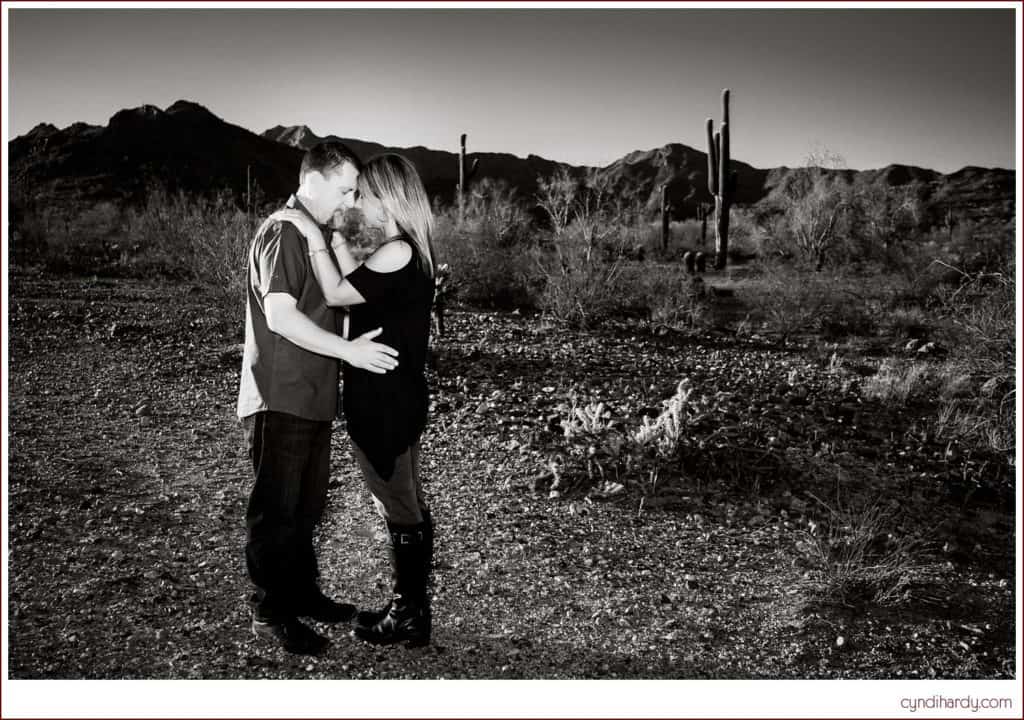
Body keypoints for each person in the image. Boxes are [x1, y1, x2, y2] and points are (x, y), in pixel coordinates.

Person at [237, 142, 400, 656]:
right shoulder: (283, 230)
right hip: (279, 391)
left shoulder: (316, 232)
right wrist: (348, 352)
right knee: (276, 509)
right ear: (315, 178)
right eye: (346, 187)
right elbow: (281, 315)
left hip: (313, 393)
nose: (352, 198)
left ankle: (303, 595)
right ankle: (273, 609)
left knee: (306, 507)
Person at [274, 153, 437, 647]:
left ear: (387, 198)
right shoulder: (401, 249)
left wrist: (307, 229)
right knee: (404, 501)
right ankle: (409, 607)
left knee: (400, 507)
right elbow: (356, 273)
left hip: (383, 400)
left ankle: (409, 615)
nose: (356, 201)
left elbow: (338, 293)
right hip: (397, 393)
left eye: (364, 194)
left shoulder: (396, 252)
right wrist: (341, 231)